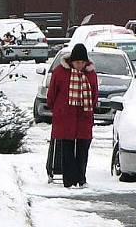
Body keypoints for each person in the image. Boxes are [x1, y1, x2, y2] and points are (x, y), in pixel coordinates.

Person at [46, 43, 98, 188]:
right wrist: (55, 109)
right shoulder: (60, 72)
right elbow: (52, 93)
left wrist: (90, 109)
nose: (80, 65)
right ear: (72, 61)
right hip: (65, 116)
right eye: (77, 62)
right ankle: (68, 180)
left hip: (84, 116)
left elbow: (94, 94)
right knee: (67, 149)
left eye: (82, 62)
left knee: (83, 149)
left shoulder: (91, 74)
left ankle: (81, 179)